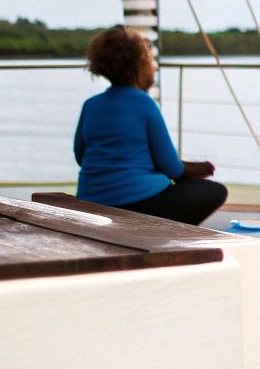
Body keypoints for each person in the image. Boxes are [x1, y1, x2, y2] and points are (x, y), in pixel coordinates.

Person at [74, 26, 227, 225]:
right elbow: (172, 168)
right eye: (151, 60)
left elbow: (80, 156)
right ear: (139, 66)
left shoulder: (91, 105)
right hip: (137, 204)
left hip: (91, 200)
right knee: (214, 191)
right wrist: (203, 168)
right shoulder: (143, 103)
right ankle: (163, 238)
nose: (154, 66)